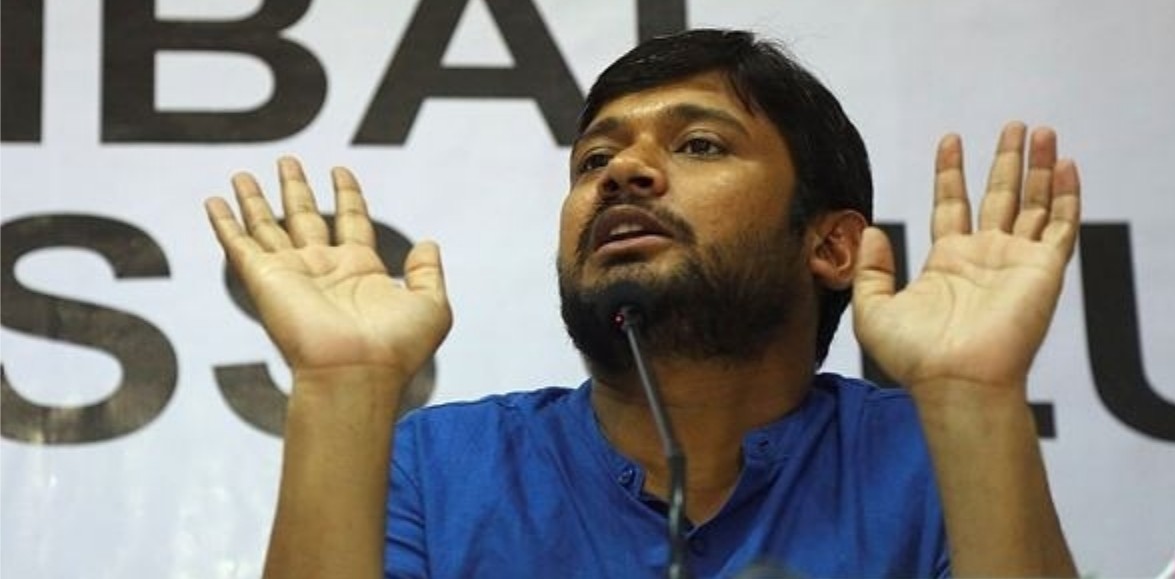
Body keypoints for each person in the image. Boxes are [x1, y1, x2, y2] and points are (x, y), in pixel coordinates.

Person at [205, 29, 1080, 577]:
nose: (623, 171)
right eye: (594, 161)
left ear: (830, 245)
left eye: (699, 144)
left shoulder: (933, 455)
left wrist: (976, 397)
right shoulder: (438, 470)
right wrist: (341, 382)